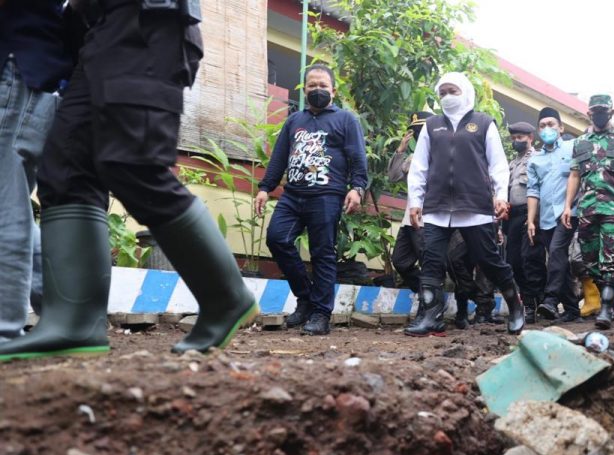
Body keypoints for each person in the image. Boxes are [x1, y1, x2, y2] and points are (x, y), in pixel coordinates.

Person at [0, 0, 258, 363]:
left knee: (131, 161)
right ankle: (72, 321)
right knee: (65, 167)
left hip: (145, 19)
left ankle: (225, 299)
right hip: (97, 30)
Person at [405, 71, 525, 337]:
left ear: (465, 92)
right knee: (432, 262)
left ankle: (515, 305)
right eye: (443, 92)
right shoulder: (432, 125)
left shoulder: (483, 123)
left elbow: (498, 165)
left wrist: (501, 196)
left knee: (489, 260)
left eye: (453, 91)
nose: (447, 97)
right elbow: (419, 166)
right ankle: (431, 316)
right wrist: (415, 201)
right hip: (436, 207)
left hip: (474, 206)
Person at [257, 64, 368, 336]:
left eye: (323, 86)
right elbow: (279, 157)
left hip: (326, 196)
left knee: (322, 254)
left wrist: (357, 188)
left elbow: (357, 157)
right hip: (293, 194)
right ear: (304, 89)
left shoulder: (345, 120)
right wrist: (265, 187)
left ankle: (321, 314)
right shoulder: (294, 121)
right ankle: (305, 298)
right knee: (277, 238)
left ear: (333, 90)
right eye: (312, 86)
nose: (317, 90)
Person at [0, 0, 74, 342]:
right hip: (29, 71)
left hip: (18, 72)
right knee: (12, 205)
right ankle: (69, 315)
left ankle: (4, 328)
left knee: (6, 208)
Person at [562, 94, 614, 330]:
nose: (599, 114)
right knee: (589, 260)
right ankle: (613, 305)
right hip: (587, 209)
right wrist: (568, 206)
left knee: (610, 259)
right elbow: (575, 175)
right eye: (595, 110)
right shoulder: (581, 142)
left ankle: (606, 308)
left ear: (611, 112)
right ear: (588, 113)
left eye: (603, 110)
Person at [527, 107, 580, 323]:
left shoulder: (572, 148)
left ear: (561, 127)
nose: (547, 129)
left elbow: (579, 175)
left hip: (570, 212)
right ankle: (572, 310)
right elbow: (533, 191)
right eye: (542, 126)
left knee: (557, 251)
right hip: (547, 217)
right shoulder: (535, 159)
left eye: (551, 124)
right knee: (560, 260)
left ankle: (550, 299)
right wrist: (531, 220)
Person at [389, 112, 432, 294]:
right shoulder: (412, 157)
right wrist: (401, 150)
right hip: (409, 219)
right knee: (400, 261)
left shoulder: (439, 155)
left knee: (427, 262)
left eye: (421, 130)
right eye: (416, 131)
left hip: (427, 219)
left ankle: (429, 304)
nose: (418, 134)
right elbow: (393, 177)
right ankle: (425, 294)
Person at [505, 121, 540, 322]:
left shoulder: (536, 159)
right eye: (514, 138)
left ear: (530, 138)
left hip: (530, 214)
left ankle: (531, 304)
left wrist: (533, 217)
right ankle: (528, 300)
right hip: (513, 217)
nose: (516, 141)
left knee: (529, 260)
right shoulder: (512, 163)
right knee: (513, 261)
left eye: (520, 137)